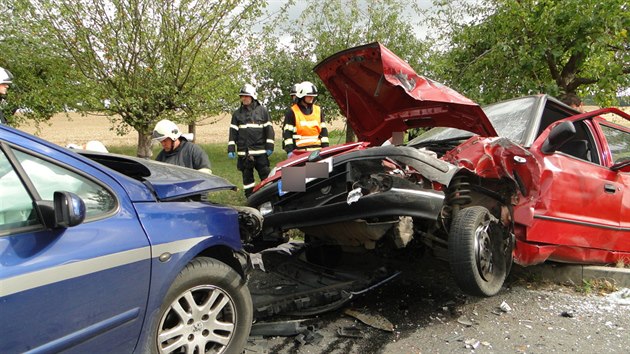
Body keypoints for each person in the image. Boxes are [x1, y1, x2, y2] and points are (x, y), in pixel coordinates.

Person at [228, 84, 274, 197]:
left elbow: (269, 130)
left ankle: (270, 196)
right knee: (247, 179)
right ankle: (250, 198)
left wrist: (269, 146)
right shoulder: (237, 114)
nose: (243, 98)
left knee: (266, 176)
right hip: (244, 153)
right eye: (242, 96)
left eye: (246, 96)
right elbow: (233, 132)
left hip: (260, 152)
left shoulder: (262, 111)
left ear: (253, 96)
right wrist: (231, 148)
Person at [282, 81, 329, 157]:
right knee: (301, 170)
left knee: (321, 169)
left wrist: (326, 149)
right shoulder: (292, 112)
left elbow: (324, 133)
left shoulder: (318, 110)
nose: (312, 98)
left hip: (317, 153)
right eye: (309, 96)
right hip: (299, 153)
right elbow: (287, 135)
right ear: (301, 96)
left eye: (313, 96)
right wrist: (289, 151)